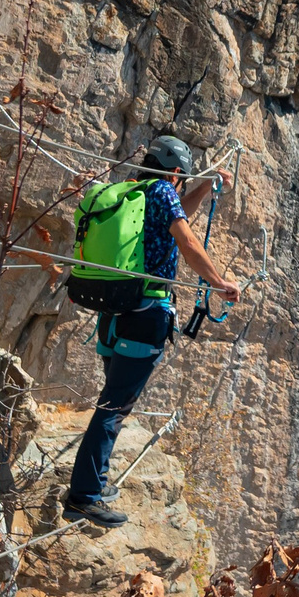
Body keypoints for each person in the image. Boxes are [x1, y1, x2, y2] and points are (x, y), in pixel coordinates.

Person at [64, 135, 239, 526]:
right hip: (145, 312)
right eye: (183, 180)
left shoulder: (134, 190)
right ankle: (84, 495)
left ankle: (95, 481)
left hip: (114, 308)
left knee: (113, 401)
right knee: (113, 407)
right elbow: (187, 238)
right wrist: (216, 280)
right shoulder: (163, 190)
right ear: (176, 172)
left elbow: (179, 216)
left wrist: (204, 188)